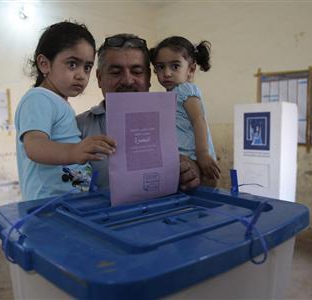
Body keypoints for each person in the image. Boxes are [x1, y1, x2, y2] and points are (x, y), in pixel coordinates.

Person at [76, 33, 201, 191]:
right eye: (115, 72)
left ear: (148, 78)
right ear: (100, 78)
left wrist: (192, 171)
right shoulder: (77, 127)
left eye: (137, 71)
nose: (128, 80)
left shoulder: (179, 122)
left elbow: (209, 180)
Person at [15, 21, 116, 201]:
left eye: (87, 67)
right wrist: (74, 151)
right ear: (44, 64)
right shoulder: (38, 98)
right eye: (72, 64)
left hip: (67, 203)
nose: (81, 75)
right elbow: (34, 146)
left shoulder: (58, 103)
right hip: (47, 205)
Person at [149, 36, 220, 186]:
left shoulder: (185, 89)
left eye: (175, 66)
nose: (167, 73)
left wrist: (203, 155)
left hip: (195, 156)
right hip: (182, 157)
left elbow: (198, 121)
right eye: (161, 67)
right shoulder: (170, 95)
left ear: (191, 69)